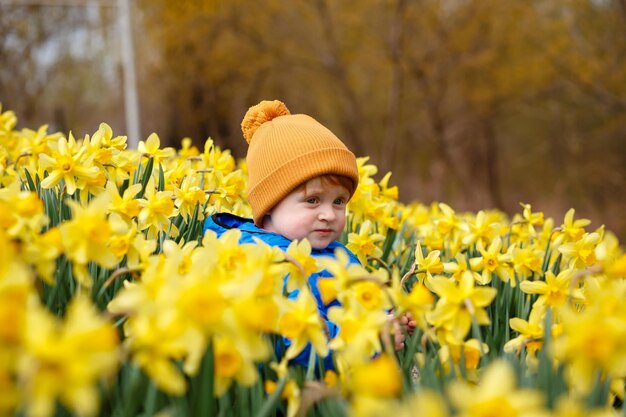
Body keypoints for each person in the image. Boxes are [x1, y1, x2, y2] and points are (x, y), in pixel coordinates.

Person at [203, 99, 413, 370]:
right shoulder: (267, 263)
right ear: (270, 204)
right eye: (313, 200)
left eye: (339, 201)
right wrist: (371, 342)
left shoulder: (338, 254)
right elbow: (297, 337)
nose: (329, 214)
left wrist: (389, 320)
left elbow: (359, 304)